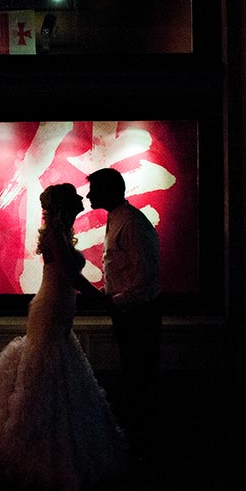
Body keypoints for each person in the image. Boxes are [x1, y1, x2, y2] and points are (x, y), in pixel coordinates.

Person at [0, 183, 128, 491]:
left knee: (52, 361)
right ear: (64, 205)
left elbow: (69, 278)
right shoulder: (55, 236)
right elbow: (71, 276)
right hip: (52, 307)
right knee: (46, 362)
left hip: (58, 306)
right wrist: (103, 299)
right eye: (75, 196)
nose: (81, 198)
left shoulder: (58, 235)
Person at [86, 168, 162, 464]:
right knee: (134, 377)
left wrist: (114, 301)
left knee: (140, 379)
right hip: (128, 312)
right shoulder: (117, 218)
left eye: (94, 190)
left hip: (138, 315)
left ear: (108, 191)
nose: (89, 195)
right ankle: (137, 446)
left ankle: (143, 449)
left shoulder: (130, 223)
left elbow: (147, 279)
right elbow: (121, 269)